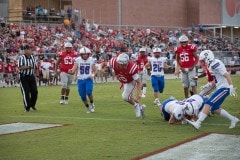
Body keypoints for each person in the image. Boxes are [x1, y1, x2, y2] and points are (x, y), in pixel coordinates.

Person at [186, 50, 239, 129]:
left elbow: (226, 75)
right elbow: (216, 79)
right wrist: (209, 84)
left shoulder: (216, 64)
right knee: (214, 108)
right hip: (220, 87)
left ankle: (198, 123)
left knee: (208, 103)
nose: (201, 61)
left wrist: (231, 86)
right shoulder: (211, 65)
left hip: (224, 88)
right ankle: (233, 119)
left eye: (203, 60)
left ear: (208, 58)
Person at [101, 53, 146, 119]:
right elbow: (104, 64)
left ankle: (136, 105)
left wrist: (139, 93)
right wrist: (101, 69)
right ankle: (141, 107)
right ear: (118, 63)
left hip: (131, 81)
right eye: (123, 65)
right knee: (131, 97)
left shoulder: (132, 67)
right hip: (123, 80)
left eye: (126, 65)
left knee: (125, 97)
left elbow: (138, 82)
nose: (125, 67)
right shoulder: (113, 62)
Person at [68, 47, 97, 113]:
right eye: (83, 54)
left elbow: (95, 70)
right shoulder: (77, 60)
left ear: (88, 54)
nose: (85, 55)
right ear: (81, 55)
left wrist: (93, 75)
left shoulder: (91, 60)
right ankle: (87, 107)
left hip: (88, 79)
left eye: (86, 54)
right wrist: (71, 71)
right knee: (82, 96)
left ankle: (92, 104)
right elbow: (73, 69)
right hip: (80, 80)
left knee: (89, 92)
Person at [18, 45, 39, 112]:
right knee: (26, 92)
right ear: (25, 50)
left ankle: (32, 105)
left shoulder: (33, 57)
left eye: (29, 49)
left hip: (31, 76)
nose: (29, 51)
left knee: (35, 91)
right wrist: (29, 67)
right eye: (27, 49)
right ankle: (27, 107)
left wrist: (37, 76)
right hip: (24, 77)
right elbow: (20, 67)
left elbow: (36, 67)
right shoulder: (21, 58)